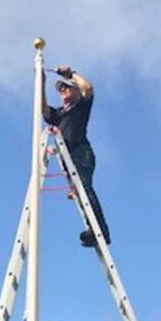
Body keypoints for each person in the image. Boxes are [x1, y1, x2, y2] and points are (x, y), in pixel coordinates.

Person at [42, 64, 111, 247]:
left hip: (81, 153)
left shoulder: (81, 105)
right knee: (80, 194)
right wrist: (41, 84)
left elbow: (88, 88)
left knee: (85, 189)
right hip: (68, 160)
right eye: (61, 89)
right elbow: (44, 111)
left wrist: (71, 74)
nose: (63, 90)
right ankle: (93, 228)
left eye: (66, 86)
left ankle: (100, 231)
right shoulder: (59, 113)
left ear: (75, 90)